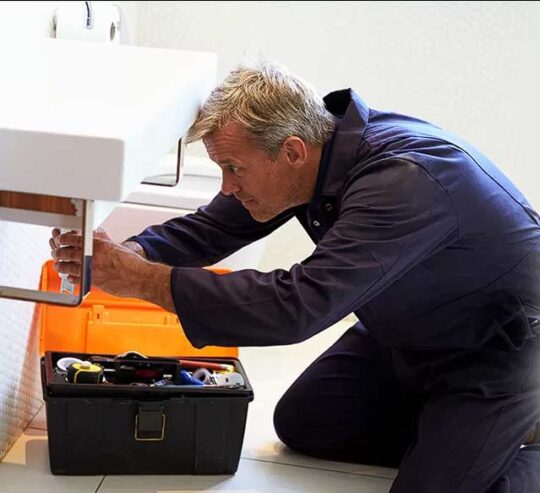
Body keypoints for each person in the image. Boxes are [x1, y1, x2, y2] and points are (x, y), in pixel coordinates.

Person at [49, 62, 540, 493]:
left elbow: (296, 306)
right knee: (306, 423)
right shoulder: (318, 151)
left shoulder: (406, 181)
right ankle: (454, 436)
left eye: (233, 168)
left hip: (495, 357)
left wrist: (144, 281)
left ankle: (500, 439)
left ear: (292, 152)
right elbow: (214, 225)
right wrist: (127, 255)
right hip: (403, 330)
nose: (227, 185)